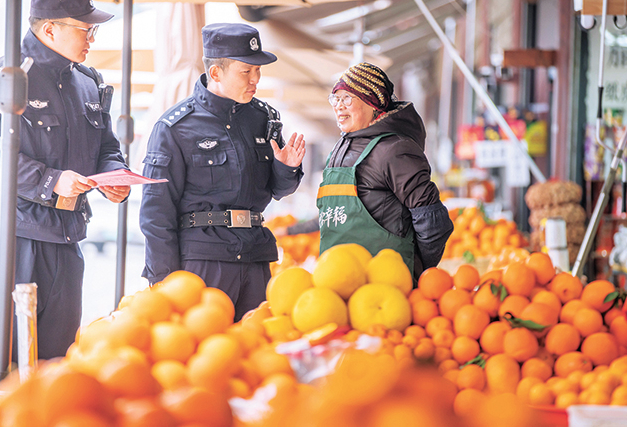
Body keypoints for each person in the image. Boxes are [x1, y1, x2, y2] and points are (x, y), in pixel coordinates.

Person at [0, 0, 130, 389]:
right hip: (10, 239)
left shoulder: (89, 82)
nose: (91, 38)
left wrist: (114, 174)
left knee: (57, 367)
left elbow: (106, 144)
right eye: (84, 29)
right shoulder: (4, 78)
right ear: (49, 28)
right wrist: (52, 181)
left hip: (66, 239)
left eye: (94, 30)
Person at [140, 23, 305, 321]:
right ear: (216, 73)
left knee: (255, 353)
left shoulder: (263, 119)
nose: (255, 79)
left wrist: (286, 167)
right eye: (246, 71)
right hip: (203, 262)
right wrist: (165, 281)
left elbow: (278, 190)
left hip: (256, 258)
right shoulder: (175, 128)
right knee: (205, 356)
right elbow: (155, 212)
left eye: (258, 70)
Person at [316, 62, 453, 278]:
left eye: (347, 98)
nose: (338, 105)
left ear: (373, 103)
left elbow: (433, 221)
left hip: (386, 286)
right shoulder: (339, 149)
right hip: (337, 282)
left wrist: (414, 271)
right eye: (336, 98)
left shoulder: (394, 149)